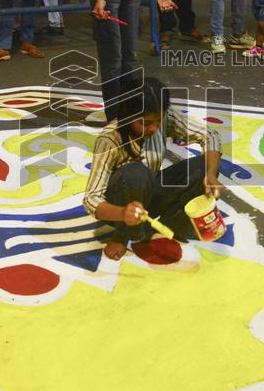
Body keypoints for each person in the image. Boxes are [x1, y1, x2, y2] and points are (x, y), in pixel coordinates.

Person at [83, 77, 223, 261]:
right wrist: (123, 214)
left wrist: (211, 175)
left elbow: (209, 135)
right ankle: (123, 234)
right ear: (127, 116)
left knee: (204, 166)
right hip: (121, 205)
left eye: (159, 120)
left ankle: (170, 221)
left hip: (150, 191)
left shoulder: (163, 117)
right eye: (145, 123)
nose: (155, 128)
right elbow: (91, 198)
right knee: (136, 173)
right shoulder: (109, 140)